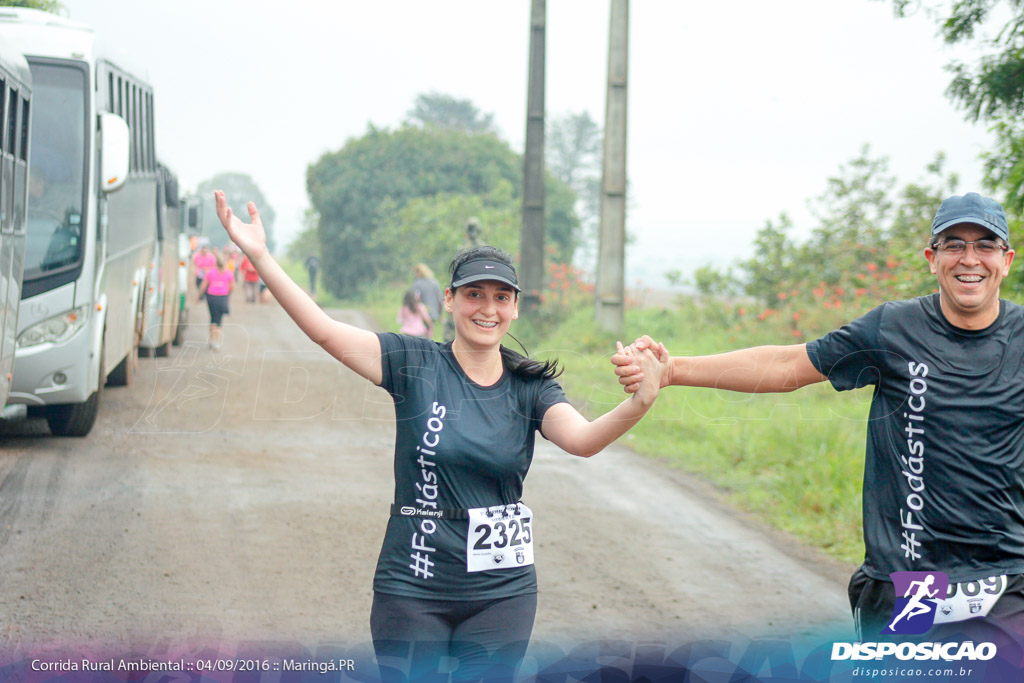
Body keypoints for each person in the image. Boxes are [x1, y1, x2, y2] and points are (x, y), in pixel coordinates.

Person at [214, 190, 667, 683]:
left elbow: (583, 439)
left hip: (502, 591)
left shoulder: (531, 387)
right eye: (474, 295)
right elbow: (323, 329)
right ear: (449, 299)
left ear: (515, 308)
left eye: (500, 297)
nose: (487, 309)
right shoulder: (414, 364)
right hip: (412, 585)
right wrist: (257, 254)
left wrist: (640, 401)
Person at [613, 192, 1024, 650]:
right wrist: (672, 370)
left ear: (1006, 260)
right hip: (910, 582)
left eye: (985, 245)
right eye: (954, 245)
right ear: (933, 258)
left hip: (1007, 580)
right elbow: (790, 365)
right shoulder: (895, 328)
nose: (970, 259)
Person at [197, 252, 235, 351]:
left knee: (212, 318)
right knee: (219, 321)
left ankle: (212, 340)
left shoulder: (210, 272)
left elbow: (203, 286)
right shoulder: (228, 273)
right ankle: (217, 342)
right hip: (222, 297)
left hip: (211, 297)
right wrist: (227, 292)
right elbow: (232, 287)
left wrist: (198, 296)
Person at [411, 263, 445, 339]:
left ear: (419, 272)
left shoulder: (417, 284)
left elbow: (414, 299)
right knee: (429, 333)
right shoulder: (434, 282)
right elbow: (440, 299)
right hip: (433, 313)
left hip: (421, 313)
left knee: (420, 334)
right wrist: (440, 313)